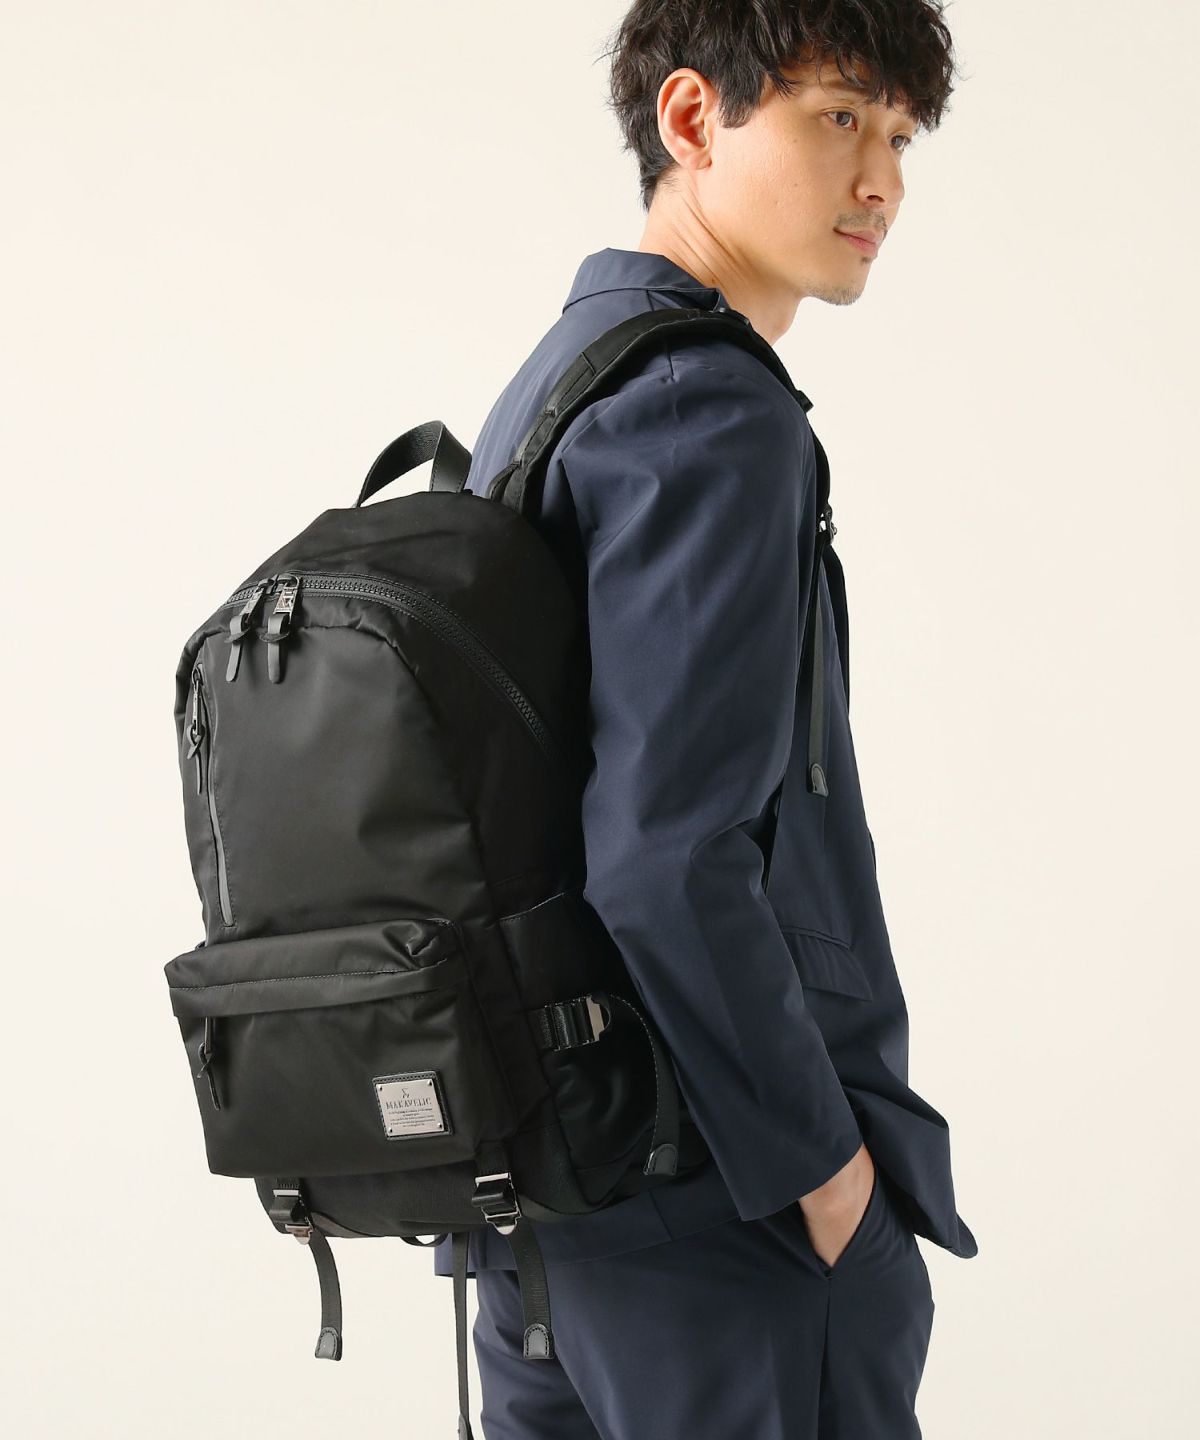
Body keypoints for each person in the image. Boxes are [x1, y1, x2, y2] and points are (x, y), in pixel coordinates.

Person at [432, 4, 976, 1435]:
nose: (883, 181)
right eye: (839, 116)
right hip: (721, 1216)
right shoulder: (707, 409)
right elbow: (668, 856)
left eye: (900, 136)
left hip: (542, 1220)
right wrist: (825, 1177)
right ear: (692, 120)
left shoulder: (560, 382)